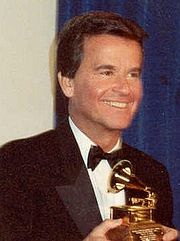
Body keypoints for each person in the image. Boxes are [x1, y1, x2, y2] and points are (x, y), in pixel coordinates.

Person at [0, 11, 178, 241]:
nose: (125, 89)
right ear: (67, 83)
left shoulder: (153, 173)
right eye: (106, 72)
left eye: (133, 74)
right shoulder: (18, 165)